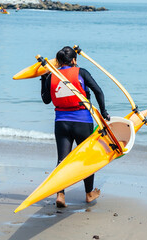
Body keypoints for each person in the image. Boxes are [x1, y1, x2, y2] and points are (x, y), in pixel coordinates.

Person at [41, 46, 110, 208]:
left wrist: (43, 79)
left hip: (61, 123)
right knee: (87, 159)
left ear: (58, 62)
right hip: (82, 122)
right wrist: (104, 111)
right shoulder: (81, 72)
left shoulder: (52, 76)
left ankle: (60, 194)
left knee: (62, 160)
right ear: (73, 60)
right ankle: (89, 193)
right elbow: (98, 92)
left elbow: (45, 100)